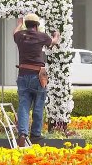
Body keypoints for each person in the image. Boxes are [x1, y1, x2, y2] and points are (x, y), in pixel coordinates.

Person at [14, 13, 60, 147]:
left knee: (23, 105)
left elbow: (14, 32)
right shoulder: (42, 36)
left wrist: (18, 24)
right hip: (38, 76)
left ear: (25, 24)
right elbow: (54, 42)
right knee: (38, 105)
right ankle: (35, 135)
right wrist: (56, 35)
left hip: (23, 74)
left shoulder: (20, 36)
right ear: (37, 25)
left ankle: (22, 134)